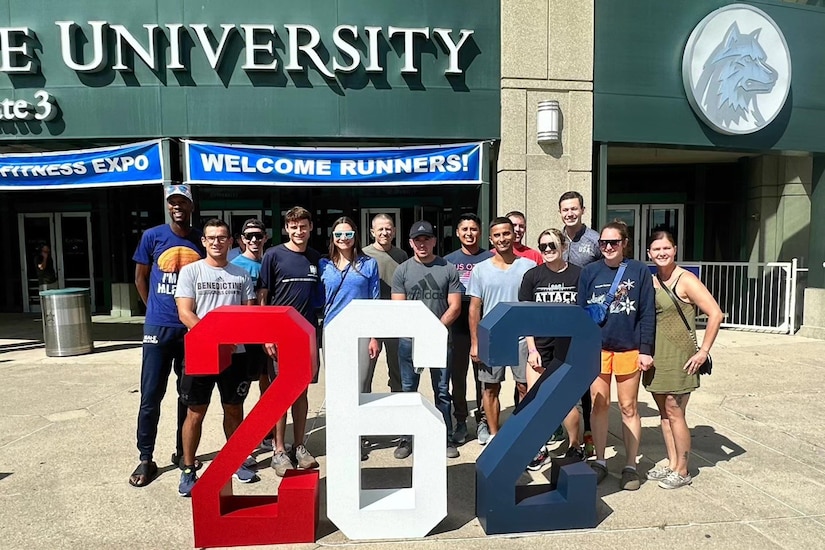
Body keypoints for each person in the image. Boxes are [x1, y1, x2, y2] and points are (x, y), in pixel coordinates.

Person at [174, 219, 258, 496]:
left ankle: (236, 460)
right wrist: (214, 338)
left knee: (234, 408)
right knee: (196, 411)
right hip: (202, 352)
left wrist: (231, 339)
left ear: (231, 241)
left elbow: (248, 313)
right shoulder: (191, 272)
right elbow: (185, 313)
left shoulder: (241, 274)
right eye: (211, 238)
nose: (216, 242)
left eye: (222, 237)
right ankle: (188, 469)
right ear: (204, 241)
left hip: (236, 352)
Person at [129, 184, 204, 488]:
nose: (177, 207)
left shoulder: (201, 239)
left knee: (187, 395)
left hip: (191, 330)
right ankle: (146, 457)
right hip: (158, 328)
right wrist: (154, 312)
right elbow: (140, 278)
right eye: (172, 202)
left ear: (191, 207)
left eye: (182, 202)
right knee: (150, 396)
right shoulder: (153, 236)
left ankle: (181, 451)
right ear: (168, 207)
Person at [578, 220, 655, 491]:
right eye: (603, 243)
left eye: (614, 242)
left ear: (624, 243)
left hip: (629, 347)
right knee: (599, 405)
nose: (608, 247)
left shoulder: (639, 271)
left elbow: (647, 313)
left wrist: (646, 350)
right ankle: (600, 460)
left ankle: (630, 465)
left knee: (628, 407)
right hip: (598, 349)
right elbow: (582, 313)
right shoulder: (589, 272)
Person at [645, 230, 723, 489]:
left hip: (681, 357)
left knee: (675, 412)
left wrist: (704, 351)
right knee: (664, 414)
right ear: (649, 253)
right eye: (656, 249)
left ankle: (683, 469)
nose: (661, 253)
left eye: (666, 248)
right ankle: (671, 463)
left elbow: (715, 313)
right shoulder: (653, 280)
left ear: (675, 249)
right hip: (658, 358)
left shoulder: (686, 279)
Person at [258, 206, 324, 477]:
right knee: (279, 395)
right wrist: (266, 334)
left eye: (303, 226)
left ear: (310, 228)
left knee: (302, 393)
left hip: (306, 335)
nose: (299, 231)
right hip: (280, 336)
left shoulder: (316, 257)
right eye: (294, 227)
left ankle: (299, 446)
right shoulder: (273, 255)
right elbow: (263, 295)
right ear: (286, 228)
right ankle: (279, 450)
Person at [392, 220, 463, 459]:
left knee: (442, 391)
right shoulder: (402, 270)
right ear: (411, 243)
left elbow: (455, 306)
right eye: (417, 240)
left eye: (427, 239)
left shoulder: (448, 268)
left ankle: (445, 437)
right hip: (409, 340)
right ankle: (406, 438)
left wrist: (433, 330)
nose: (422, 244)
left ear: (434, 241)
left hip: (440, 340)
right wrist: (419, 331)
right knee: (408, 389)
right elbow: (398, 308)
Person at [518, 228, 583, 470]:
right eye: (543, 246)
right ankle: (539, 449)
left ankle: (575, 446)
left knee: (567, 402)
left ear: (564, 247)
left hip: (569, 348)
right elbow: (526, 317)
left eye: (552, 246)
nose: (546, 250)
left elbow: (585, 315)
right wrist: (532, 349)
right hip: (540, 348)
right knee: (535, 401)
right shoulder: (533, 276)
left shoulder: (578, 275)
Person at [467, 217, 535, 443]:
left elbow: (534, 305)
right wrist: (475, 342)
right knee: (490, 388)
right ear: (490, 239)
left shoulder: (528, 266)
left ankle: (522, 434)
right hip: (492, 337)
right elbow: (474, 308)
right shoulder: (480, 270)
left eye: (506, 233)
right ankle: (495, 436)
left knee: (525, 387)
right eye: (497, 235)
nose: (502, 239)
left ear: (514, 235)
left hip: (521, 338)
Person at [559, 190, 602, 457]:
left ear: (583, 210)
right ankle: (568, 432)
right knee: (563, 376)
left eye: (574, 209)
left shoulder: (596, 240)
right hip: (560, 320)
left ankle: (588, 434)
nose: (570, 213)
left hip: (586, 318)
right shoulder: (556, 238)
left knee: (586, 379)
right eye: (565, 209)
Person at [444, 213, 493, 445]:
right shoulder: (448, 260)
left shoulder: (490, 257)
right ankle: (461, 420)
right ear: (457, 233)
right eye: (464, 229)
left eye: (473, 229)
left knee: (482, 376)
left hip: (484, 322)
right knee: (458, 375)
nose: (469, 233)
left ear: (480, 232)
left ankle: (483, 420)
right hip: (458, 324)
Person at [319, 216, 381, 392]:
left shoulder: (369, 264)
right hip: (332, 328)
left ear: (355, 236)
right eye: (338, 234)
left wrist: (374, 336)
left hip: (361, 329)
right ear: (332, 237)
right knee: (335, 384)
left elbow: (374, 300)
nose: (343, 238)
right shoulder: (324, 264)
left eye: (348, 233)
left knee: (360, 383)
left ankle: (360, 420)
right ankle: (339, 420)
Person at [230, 219, 273, 449]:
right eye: (249, 236)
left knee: (267, 387)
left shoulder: (269, 261)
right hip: (245, 338)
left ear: (265, 237)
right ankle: (242, 442)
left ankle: (264, 433)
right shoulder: (235, 265)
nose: (254, 240)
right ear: (241, 240)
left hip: (268, 335)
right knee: (241, 391)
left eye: (259, 235)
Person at [362, 214, 408, 392]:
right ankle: (364, 399)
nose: (384, 232)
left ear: (394, 231)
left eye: (388, 228)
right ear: (372, 231)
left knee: (397, 364)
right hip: (371, 316)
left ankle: (396, 397)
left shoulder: (401, 255)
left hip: (395, 316)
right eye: (380, 229)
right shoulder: (364, 254)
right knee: (367, 364)